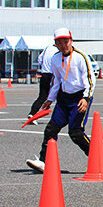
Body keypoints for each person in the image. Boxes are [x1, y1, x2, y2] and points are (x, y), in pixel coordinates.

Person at [26, 28, 96, 173]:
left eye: (66, 41)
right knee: (51, 130)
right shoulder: (56, 58)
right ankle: (44, 162)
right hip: (64, 98)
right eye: (59, 42)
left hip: (79, 98)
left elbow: (90, 79)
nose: (64, 45)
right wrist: (50, 99)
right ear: (55, 44)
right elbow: (56, 81)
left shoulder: (80, 57)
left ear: (71, 41)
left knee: (75, 133)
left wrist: (86, 98)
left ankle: (95, 158)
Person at [27, 43, 59, 125]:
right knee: (59, 95)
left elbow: (39, 59)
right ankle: (60, 117)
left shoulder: (47, 48)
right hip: (52, 75)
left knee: (42, 96)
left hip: (44, 74)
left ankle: (32, 113)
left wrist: (44, 66)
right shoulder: (57, 51)